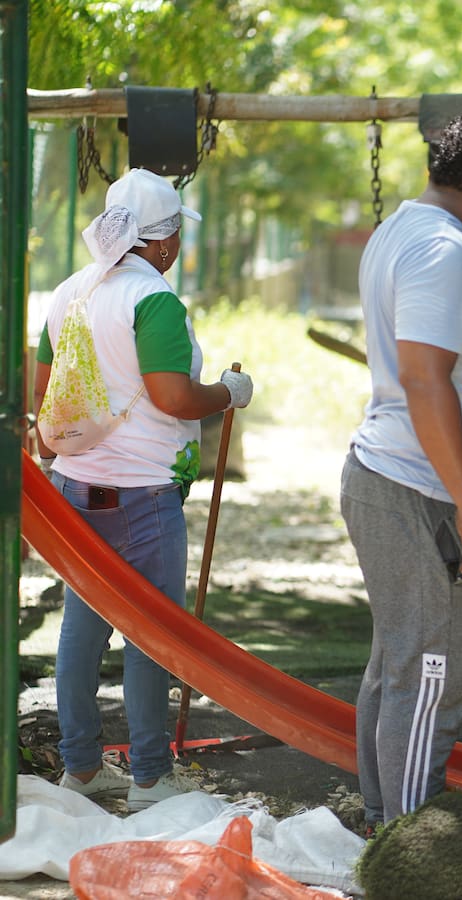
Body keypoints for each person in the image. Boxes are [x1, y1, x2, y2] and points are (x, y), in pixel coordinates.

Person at [33, 168, 254, 810]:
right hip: (143, 497)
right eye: (179, 232)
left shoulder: (69, 292)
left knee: (81, 628)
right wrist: (228, 393)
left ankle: (80, 767)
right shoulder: (151, 299)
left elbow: (43, 387)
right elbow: (173, 397)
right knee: (151, 633)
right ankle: (150, 777)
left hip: (76, 489)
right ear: (162, 240)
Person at [340, 110, 462, 826]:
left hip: (404, 480)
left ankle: (381, 816)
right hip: (419, 489)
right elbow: (425, 379)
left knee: (401, 662)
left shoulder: (401, 229)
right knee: (431, 672)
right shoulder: (443, 250)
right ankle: (408, 836)